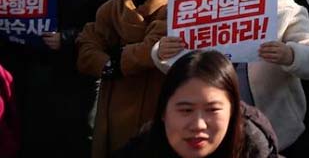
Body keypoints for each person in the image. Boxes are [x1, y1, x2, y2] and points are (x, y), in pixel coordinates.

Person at [154, 0, 309, 153]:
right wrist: (161, 52)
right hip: (219, 131)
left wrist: (290, 55)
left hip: (276, 132)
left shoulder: (288, 11)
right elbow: (187, 64)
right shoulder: (213, 8)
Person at [8, 0, 120, 158]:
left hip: (83, 75)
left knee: (77, 139)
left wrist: (68, 38)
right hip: (46, 70)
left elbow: (112, 29)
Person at [77, 0, 182, 158]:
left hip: (152, 102)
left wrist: (119, 59)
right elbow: (87, 44)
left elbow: (155, 47)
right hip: (112, 104)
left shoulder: (176, 8)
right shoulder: (111, 8)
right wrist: (106, 64)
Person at [115, 51, 281, 158]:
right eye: (186, 110)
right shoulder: (139, 151)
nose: (198, 125)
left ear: (233, 112)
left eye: (213, 109)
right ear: (163, 112)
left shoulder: (258, 151)